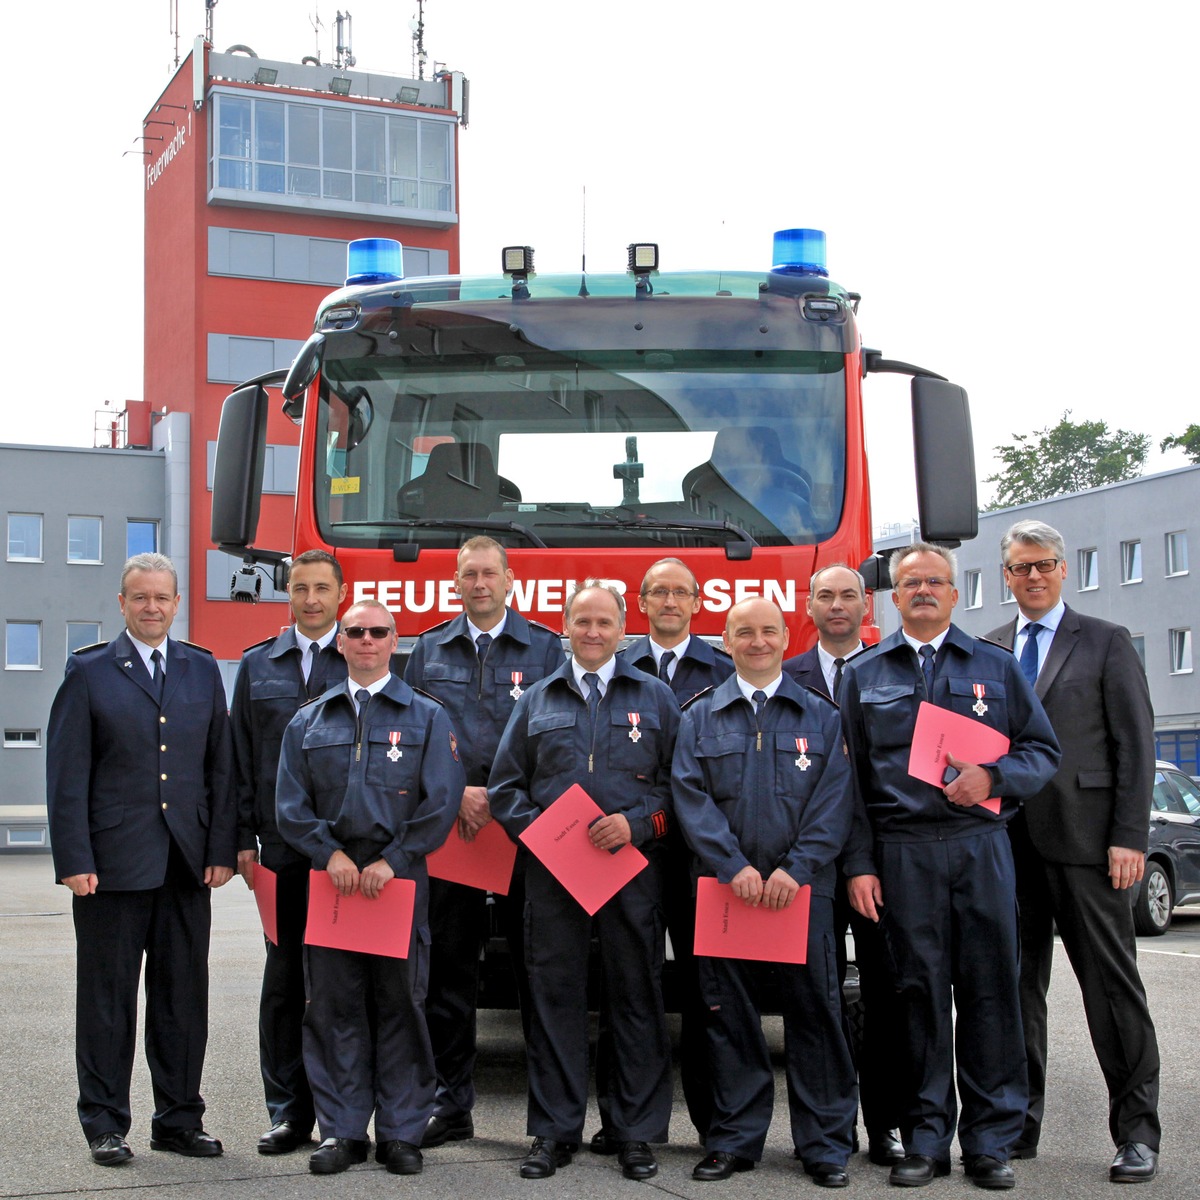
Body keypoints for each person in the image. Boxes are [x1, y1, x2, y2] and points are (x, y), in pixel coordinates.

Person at [840, 543, 1060, 1190]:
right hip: (901, 852)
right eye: (911, 583)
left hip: (979, 845)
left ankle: (990, 1142)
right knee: (917, 998)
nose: (924, 590)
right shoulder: (864, 673)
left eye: (936, 580)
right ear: (895, 596)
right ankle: (926, 1140)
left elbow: (1042, 750)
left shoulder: (993, 665)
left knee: (992, 993)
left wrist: (993, 775)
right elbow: (846, 782)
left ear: (956, 593)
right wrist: (858, 863)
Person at [46, 552, 236, 1167]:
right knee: (107, 1001)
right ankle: (104, 1122)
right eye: (140, 597)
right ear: (122, 602)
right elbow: (67, 774)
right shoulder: (90, 671)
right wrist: (74, 857)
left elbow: (219, 768)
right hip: (110, 867)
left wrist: (220, 849)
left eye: (162, 598)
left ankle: (179, 1120)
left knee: (183, 1000)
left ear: (176, 603)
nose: (152, 607)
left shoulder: (201, 670)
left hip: (185, 866)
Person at [987, 520, 1161, 1183]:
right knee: (1014, 993)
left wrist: (1130, 837)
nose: (1032, 576)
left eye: (1044, 565)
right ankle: (1016, 1127)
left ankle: (1138, 1133)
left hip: (1091, 847)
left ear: (1063, 570)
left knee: (1112, 992)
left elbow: (1136, 748)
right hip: (1007, 848)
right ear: (1005, 575)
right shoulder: (993, 648)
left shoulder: (1107, 641)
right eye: (1020, 567)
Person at [489, 581, 680, 1182]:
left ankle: (635, 1132)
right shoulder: (537, 700)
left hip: (630, 873)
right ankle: (553, 1131)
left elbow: (681, 790)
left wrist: (638, 825)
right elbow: (503, 789)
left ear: (623, 629)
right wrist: (545, 832)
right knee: (554, 998)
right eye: (582, 622)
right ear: (565, 626)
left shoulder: (655, 698)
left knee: (636, 998)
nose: (593, 632)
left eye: (604, 622)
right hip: (553, 874)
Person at [673, 598, 858, 1187]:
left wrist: (795, 869)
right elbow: (689, 798)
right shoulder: (698, 716)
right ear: (725, 642)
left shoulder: (822, 716)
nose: (757, 642)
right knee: (729, 1019)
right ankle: (733, 1139)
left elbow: (835, 802)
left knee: (816, 1015)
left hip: (801, 893)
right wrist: (731, 866)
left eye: (768, 631)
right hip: (727, 893)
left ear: (786, 639)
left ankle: (825, 1143)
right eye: (744, 633)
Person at [275, 600, 463, 1176]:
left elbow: (442, 800)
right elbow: (289, 803)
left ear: (393, 640)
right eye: (354, 632)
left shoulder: (428, 717)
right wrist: (326, 854)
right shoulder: (309, 720)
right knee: (333, 1008)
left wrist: (396, 859)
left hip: (396, 883)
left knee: (400, 1004)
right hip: (333, 884)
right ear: (341, 642)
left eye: (377, 632)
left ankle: (401, 1132)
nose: (365, 640)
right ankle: (343, 1131)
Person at [403, 537, 564, 1149]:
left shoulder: (547, 649)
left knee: (539, 970)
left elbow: (557, 741)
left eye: (489, 573)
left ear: (509, 579)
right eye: (468, 574)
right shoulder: (427, 651)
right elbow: (413, 738)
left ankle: (549, 1120)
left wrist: (500, 795)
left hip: (525, 833)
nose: (479, 584)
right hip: (455, 834)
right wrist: (459, 795)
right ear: (456, 582)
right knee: (447, 973)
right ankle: (449, 1103)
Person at [607, 557, 734, 1147]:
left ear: (697, 602)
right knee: (629, 985)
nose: (669, 603)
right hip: (633, 854)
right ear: (641, 601)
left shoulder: (725, 669)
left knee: (707, 989)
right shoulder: (615, 667)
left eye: (680, 592)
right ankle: (629, 1123)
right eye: (658, 592)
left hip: (702, 855)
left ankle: (716, 1125)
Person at [783, 564, 905, 1168]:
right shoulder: (784, 679)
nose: (837, 605)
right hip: (809, 866)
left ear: (867, 605)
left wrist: (865, 859)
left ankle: (885, 1125)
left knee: (885, 996)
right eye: (825, 595)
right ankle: (830, 1131)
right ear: (807, 607)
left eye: (848, 595)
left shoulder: (892, 670)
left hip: (880, 866)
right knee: (816, 1000)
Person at [230, 549, 348, 1155]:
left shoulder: (361, 655)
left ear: (339, 594)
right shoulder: (257, 667)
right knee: (282, 982)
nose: (309, 599)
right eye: (299, 588)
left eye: (321, 588)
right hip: (278, 853)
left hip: (340, 854)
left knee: (336, 985)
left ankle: (340, 1117)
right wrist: (242, 841)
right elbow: (239, 760)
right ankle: (287, 1113)